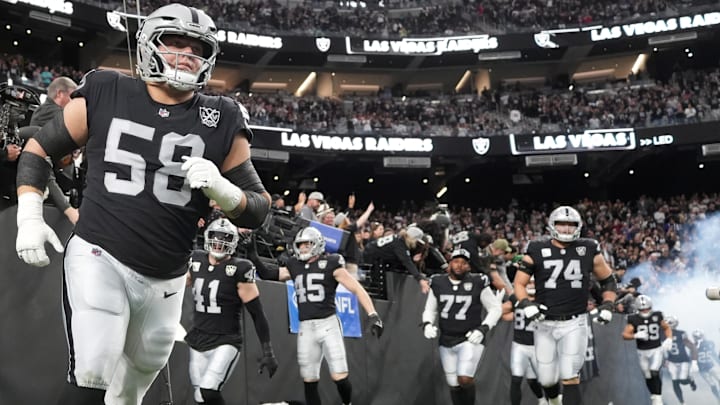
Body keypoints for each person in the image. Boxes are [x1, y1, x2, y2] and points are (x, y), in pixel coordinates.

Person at [14, 4, 271, 404]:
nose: (186, 55)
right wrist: (29, 215)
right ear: (149, 44)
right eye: (174, 43)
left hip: (167, 278)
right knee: (93, 369)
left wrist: (224, 190)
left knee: (130, 393)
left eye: (196, 48)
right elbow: (38, 148)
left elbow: (258, 207)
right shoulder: (106, 89)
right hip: (102, 253)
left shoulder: (222, 116)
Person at [513, 206, 617, 405]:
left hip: (574, 322)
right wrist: (526, 303)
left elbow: (608, 280)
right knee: (547, 379)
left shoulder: (588, 247)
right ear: (552, 225)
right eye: (562, 224)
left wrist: (608, 305)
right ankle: (554, 401)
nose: (567, 229)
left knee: (570, 375)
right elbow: (519, 283)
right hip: (544, 322)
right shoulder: (536, 248)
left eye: (571, 225)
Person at [274, 227, 384, 405]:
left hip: (328, 324)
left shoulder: (331, 263)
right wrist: (253, 254)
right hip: (306, 327)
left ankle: (346, 403)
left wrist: (373, 314)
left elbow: (356, 288)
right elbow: (270, 274)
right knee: (309, 379)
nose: (302, 248)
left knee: (339, 376)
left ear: (317, 244)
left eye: (306, 244)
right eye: (300, 245)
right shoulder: (294, 265)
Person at [186, 218, 278, 405]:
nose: (219, 242)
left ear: (234, 241)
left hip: (226, 340)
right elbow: (178, 286)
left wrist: (268, 350)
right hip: (198, 338)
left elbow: (257, 313)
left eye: (225, 238)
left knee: (209, 391)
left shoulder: (239, 268)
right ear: (207, 237)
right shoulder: (196, 260)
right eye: (215, 237)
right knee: (200, 397)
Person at [421, 248, 504, 405]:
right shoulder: (438, 282)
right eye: (456, 261)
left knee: (465, 379)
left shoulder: (478, 282)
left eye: (464, 263)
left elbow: (495, 308)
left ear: (469, 266)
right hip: (446, 338)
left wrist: (483, 328)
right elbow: (430, 309)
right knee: (453, 384)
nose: (459, 265)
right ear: (450, 263)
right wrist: (426, 324)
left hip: (469, 338)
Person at [621, 295, 672, 405]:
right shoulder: (633, 318)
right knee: (647, 374)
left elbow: (666, 327)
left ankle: (658, 398)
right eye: (642, 309)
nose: (645, 311)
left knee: (654, 371)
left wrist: (669, 339)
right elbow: (625, 335)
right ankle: (654, 396)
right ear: (637, 309)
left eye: (647, 308)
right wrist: (635, 335)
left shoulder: (657, 315)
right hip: (642, 351)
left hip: (656, 349)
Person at [504, 280, 547, 405]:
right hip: (520, 345)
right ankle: (542, 400)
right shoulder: (520, 303)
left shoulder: (542, 304)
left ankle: (548, 401)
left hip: (538, 347)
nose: (532, 285)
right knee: (517, 378)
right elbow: (504, 315)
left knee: (544, 380)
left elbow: (504, 314)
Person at [363, 225, 431, 293]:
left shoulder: (398, 239)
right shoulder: (400, 244)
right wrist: (420, 279)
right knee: (378, 285)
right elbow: (406, 262)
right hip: (371, 257)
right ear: (411, 238)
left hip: (374, 253)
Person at [665, 315, 698, 404]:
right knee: (675, 381)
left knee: (683, 381)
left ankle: (690, 380)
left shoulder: (681, 334)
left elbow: (692, 346)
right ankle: (682, 402)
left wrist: (694, 362)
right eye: (666, 322)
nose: (668, 324)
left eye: (670, 323)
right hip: (672, 360)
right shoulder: (662, 334)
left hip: (683, 360)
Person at [692, 329, 720, 400]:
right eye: (697, 337)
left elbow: (714, 354)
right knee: (712, 384)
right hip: (702, 370)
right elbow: (692, 359)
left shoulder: (709, 343)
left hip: (710, 366)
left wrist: (718, 362)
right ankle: (718, 399)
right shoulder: (694, 346)